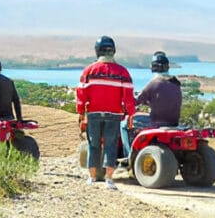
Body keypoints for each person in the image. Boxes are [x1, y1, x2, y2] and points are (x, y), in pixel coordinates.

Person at [76, 35, 135, 190]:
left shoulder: (89, 71)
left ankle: (92, 177)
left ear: (97, 51)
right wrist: (130, 114)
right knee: (111, 145)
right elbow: (128, 96)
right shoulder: (122, 72)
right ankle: (109, 179)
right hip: (114, 115)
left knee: (93, 145)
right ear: (113, 51)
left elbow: (81, 94)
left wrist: (81, 112)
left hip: (94, 114)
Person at [135, 51, 182, 127]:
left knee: (125, 123)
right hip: (174, 123)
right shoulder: (176, 82)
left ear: (153, 66)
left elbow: (137, 100)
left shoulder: (154, 83)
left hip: (157, 122)